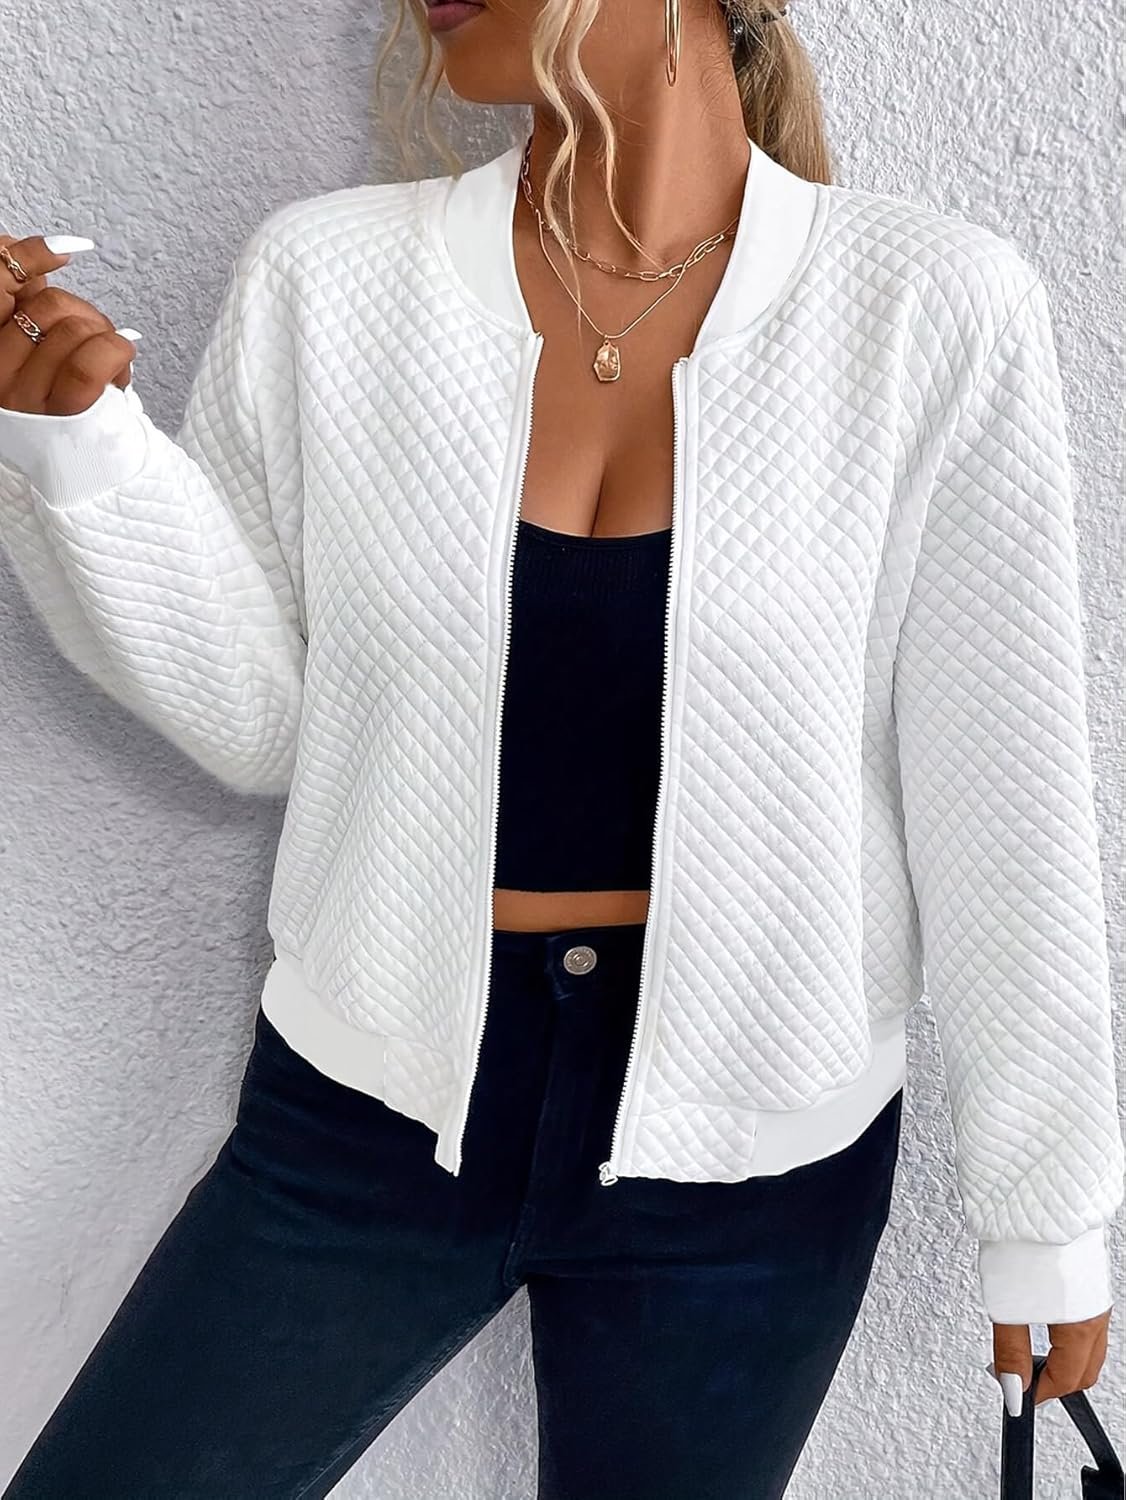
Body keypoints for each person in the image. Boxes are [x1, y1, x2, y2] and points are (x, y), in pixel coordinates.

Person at [0, 0, 1122, 1495]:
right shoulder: (328, 278)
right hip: (371, 1109)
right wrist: (79, 450)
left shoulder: (929, 307)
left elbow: (1004, 791)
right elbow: (265, 728)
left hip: (749, 1153)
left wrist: (1045, 1210)